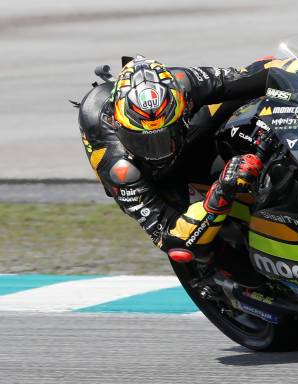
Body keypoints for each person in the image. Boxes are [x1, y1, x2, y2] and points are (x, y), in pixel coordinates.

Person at [77, 56, 271, 268]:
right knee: (194, 250)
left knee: (245, 94)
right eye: (143, 142)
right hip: (147, 174)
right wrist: (222, 192)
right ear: (119, 125)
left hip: (186, 131)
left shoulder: (184, 83)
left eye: (163, 138)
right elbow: (170, 237)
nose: (157, 151)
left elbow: (255, 73)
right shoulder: (118, 165)